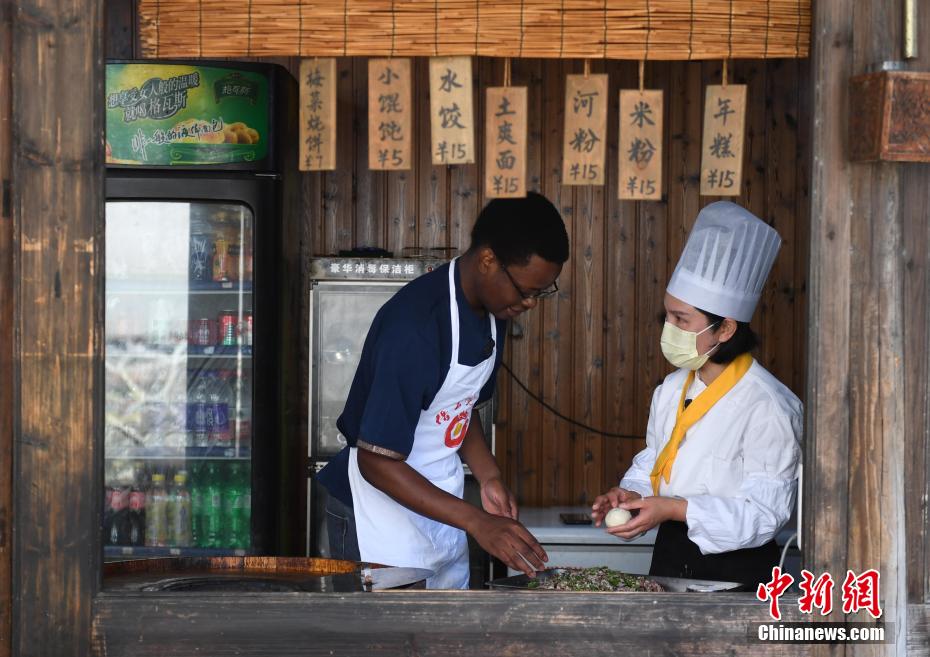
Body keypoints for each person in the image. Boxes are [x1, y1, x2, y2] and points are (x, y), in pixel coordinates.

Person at [317, 192, 569, 589]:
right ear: (488, 261)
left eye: (541, 292)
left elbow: (458, 406)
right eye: (526, 290)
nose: (531, 303)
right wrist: (477, 521)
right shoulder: (414, 328)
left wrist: (488, 476)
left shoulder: (492, 312)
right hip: (376, 513)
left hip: (438, 505)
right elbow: (376, 462)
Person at [591, 201, 802, 588]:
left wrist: (672, 508)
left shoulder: (768, 406)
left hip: (740, 570)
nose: (669, 329)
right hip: (670, 556)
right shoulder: (672, 388)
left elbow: (766, 515)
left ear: (724, 329)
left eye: (681, 320)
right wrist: (630, 494)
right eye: (667, 316)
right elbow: (654, 459)